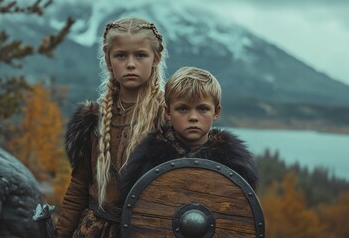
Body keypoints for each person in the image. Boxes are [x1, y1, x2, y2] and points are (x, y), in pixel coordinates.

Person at [55, 17, 167, 238]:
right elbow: (79, 187)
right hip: (94, 230)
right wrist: (61, 233)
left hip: (148, 230)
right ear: (108, 60)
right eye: (121, 55)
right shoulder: (92, 119)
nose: (131, 64)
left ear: (156, 58)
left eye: (141, 55)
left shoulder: (169, 117)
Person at [120, 66, 259, 201]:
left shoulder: (235, 164)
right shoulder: (147, 159)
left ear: (216, 112)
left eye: (202, 109)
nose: (193, 117)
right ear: (168, 112)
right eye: (183, 109)